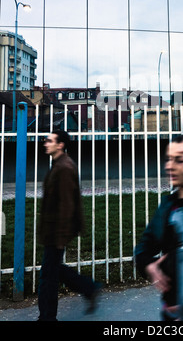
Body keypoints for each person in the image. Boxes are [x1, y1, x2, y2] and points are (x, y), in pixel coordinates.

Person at [38, 130, 102, 321]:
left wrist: (60, 237)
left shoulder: (64, 167)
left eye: (49, 141)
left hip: (56, 231)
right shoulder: (58, 164)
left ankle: (47, 317)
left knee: (48, 276)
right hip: (52, 229)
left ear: (60, 145)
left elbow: (67, 205)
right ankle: (88, 288)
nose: (45, 143)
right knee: (52, 270)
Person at [134, 135, 183, 321]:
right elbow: (143, 250)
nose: (170, 166)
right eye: (168, 159)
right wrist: (149, 266)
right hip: (173, 313)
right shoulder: (169, 206)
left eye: (179, 160)